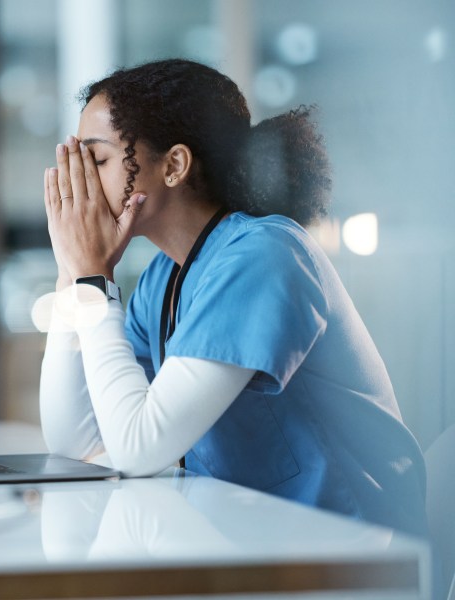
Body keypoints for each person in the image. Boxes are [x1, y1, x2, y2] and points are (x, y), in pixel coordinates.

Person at [39, 58, 427, 538]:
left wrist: (93, 279)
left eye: (97, 161)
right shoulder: (164, 277)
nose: (82, 184)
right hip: (247, 537)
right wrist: (71, 272)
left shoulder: (265, 256)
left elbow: (138, 449)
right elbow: (74, 440)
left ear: (174, 166)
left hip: (349, 553)